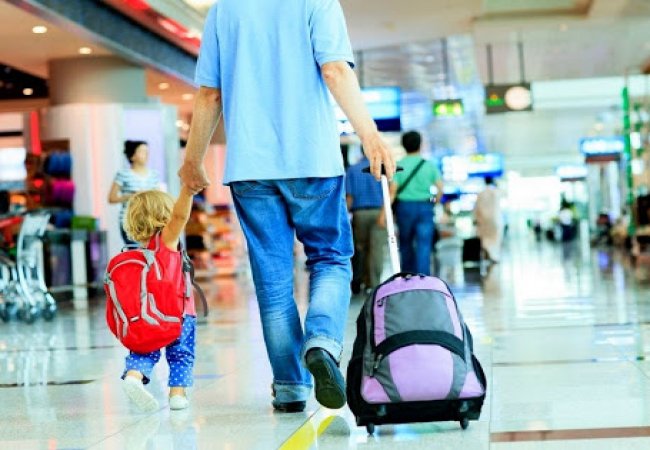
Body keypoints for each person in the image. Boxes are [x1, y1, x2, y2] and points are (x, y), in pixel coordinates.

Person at [178, 0, 396, 412]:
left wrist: (193, 161)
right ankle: (322, 341)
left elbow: (210, 95)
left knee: (273, 282)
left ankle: (290, 387)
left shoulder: (223, 10)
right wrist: (369, 135)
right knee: (331, 259)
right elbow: (334, 70)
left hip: (250, 169)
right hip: (312, 160)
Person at [120, 187, 197, 413]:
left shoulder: (139, 251)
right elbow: (180, 217)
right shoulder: (166, 242)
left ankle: (134, 376)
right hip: (179, 313)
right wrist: (188, 191)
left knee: (145, 350)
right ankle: (177, 395)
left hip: (147, 315)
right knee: (181, 353)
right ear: (165, 214)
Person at [389, 131, 443, 275]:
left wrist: (385, 212)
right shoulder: (429, 165)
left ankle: (408, 278)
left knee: (405, 244)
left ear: (403, 145)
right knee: (424, 244)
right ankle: (423, 279)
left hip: (404, 207)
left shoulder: (398, 165)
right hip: (425, 207)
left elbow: (392, 190)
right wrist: (434, 202)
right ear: (420, 144)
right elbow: (440, 189)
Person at [346, 153, 387, 294]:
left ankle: (360, 280)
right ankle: (374, 284)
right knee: (376, 250)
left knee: (360, 248)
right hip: (380, 213)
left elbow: (349, 196)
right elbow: (389, 192)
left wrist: (346, 216)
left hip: (359, 214)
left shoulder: (352, 169)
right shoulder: (382, 168)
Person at [108, 141, 160, 244]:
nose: (146, 155)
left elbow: (158, 198)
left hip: (150, 221)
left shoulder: (154, 175)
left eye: (147, 152)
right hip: (129, 221)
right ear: (132, 156)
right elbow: (111, 198)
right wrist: (131, 196)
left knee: (150, 250)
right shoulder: (123, 174)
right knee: (136, 249)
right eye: (142, 151)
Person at [474, 176, 503, 263]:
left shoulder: (481, 193)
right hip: (495, 219)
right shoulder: (495, 192)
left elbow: (477, 208)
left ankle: (488, 253)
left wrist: (477, 220)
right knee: (495, 238)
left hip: (483, 221)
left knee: (485, 238)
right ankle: (493, 256)